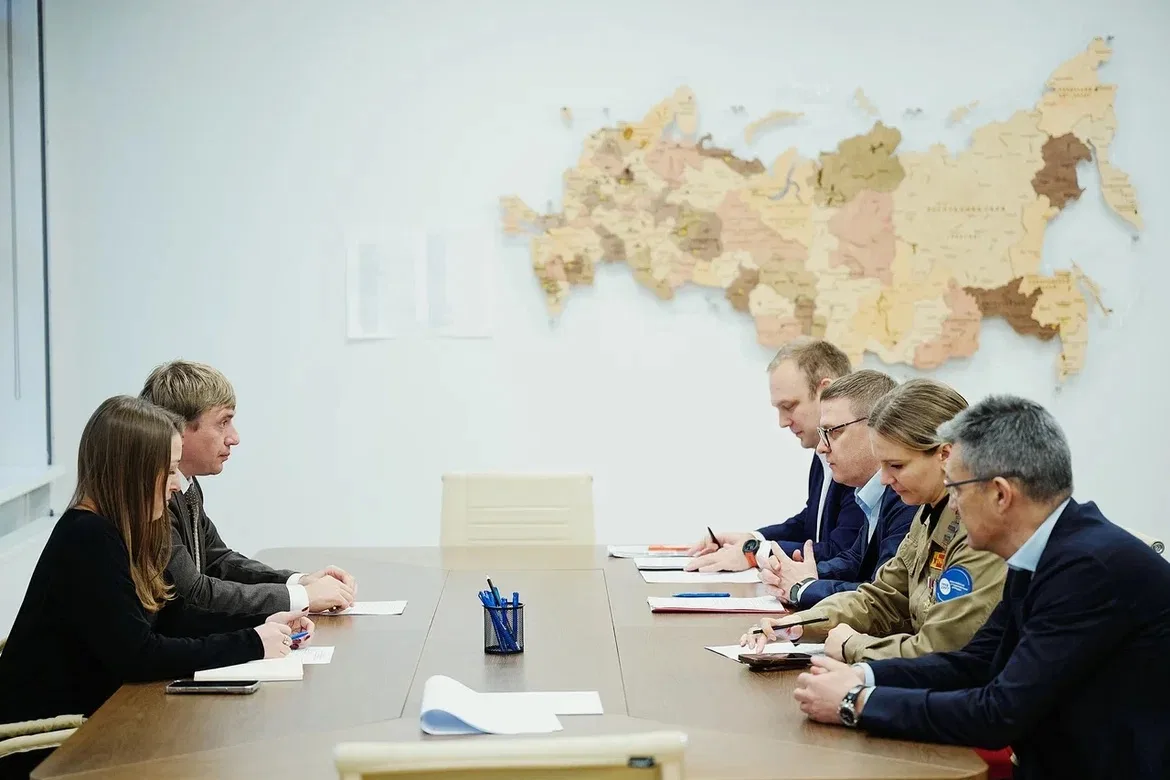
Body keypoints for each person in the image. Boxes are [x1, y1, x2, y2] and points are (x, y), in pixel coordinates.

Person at [788, 396, 1170, 780]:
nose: (952, 505)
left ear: (1001, 494)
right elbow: (975, 661)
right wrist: (864, 677)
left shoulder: (1085, 569)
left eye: (956, 488)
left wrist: (857, 702)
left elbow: (999, 712)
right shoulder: (1044, 549)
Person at [0, 397, 311, 779]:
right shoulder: (87, 537)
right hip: (50, 746)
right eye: (170, 470)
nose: (178, 485)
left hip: (96, 724)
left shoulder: (122, 528)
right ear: (133, 471)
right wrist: (251, 643)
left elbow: (172, 617)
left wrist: (264, 623)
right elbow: (139, 655)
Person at [742, 379, 1006, 662]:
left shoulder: (982, 529)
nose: (884, 479)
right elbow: (882, 598)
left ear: (944, 455)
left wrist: (852, 645)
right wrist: (800, 625)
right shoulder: (928, 512)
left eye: (896, 465)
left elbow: (942, 651)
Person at [140, 361, 356, 615]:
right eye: (223, 422)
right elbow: (193, 593)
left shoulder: (188, 485)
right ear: (180, 428)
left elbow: (218, 561)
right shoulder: (155, 500)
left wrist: (299, 582)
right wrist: (302, 597)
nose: (234, 438)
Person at [685, 339, 865, 572]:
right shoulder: (822, 451)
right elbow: (810, 523)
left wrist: (754, 552)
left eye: (789, 407)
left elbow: (842, 551)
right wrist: (752, 539)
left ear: (825, 391)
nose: (782, 422)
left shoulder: (858, 460)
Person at [758, 371, 917, 609]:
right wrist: (802, 574)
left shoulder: (906, 495)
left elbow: (885, 595)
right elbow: (855, 560)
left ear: (877, 428)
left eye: (832, 432)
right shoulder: (874, 493)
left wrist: (805, 588)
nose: (821, 448)